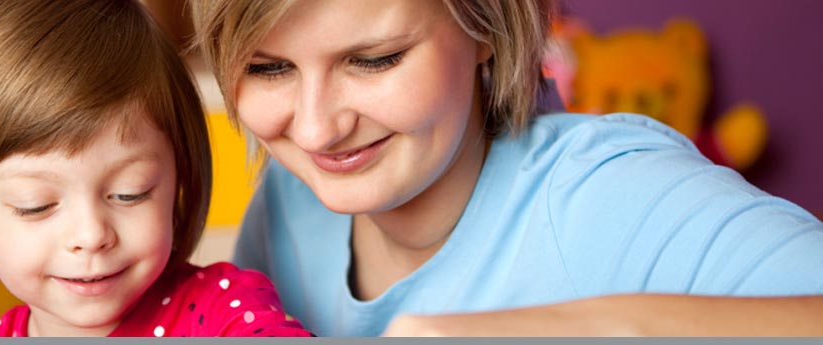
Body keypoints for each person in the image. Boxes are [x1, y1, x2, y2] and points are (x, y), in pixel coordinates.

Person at [191, 0, 823, 336]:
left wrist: (607, 328)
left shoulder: (609, 194)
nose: (315, 129)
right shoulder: (290, 198)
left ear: (483, 24)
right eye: (269, 68)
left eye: (375, 60)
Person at [0, 0, 310, 337]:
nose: (91, 236)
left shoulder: (226, 311)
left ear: (178, 183)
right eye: (35, 205)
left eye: (130, 192)